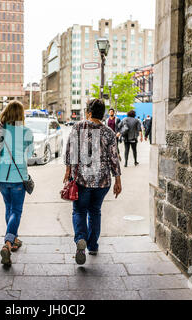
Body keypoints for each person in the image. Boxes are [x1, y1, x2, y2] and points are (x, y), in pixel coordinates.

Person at [63, 99, 122, 265]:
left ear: (88, 112)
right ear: (103, 113)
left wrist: (68, 171)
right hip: (102, 181)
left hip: (81, 179)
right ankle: (93, 245)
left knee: (79, 211)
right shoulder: (109, 132)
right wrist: (118, 179)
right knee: (95, 211)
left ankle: (81, 240)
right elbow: (114, 158)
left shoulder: (78, 127)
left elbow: (70, 151)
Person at [0, 100, 34, 266]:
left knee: (9, 207)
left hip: (0, 177)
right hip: (18, 177)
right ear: (21, 115)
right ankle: (8, 243)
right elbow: (29, 154)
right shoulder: (26, 131)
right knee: (16, 210)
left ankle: (13, 239)